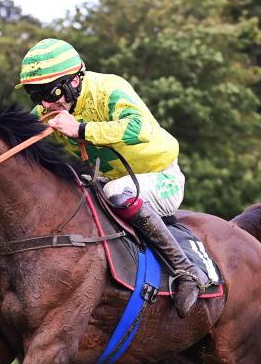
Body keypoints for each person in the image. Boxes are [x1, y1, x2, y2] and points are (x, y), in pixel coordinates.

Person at [16, 38, 210, 317]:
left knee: (116, 192)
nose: (46, 103)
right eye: (36, 96)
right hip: (111, 181)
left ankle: (187, 270)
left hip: (160, 177)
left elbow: (139, 128)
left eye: (52, 91)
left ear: (74, 81)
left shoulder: (109, 88)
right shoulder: (48, 110)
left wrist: (81, 130)